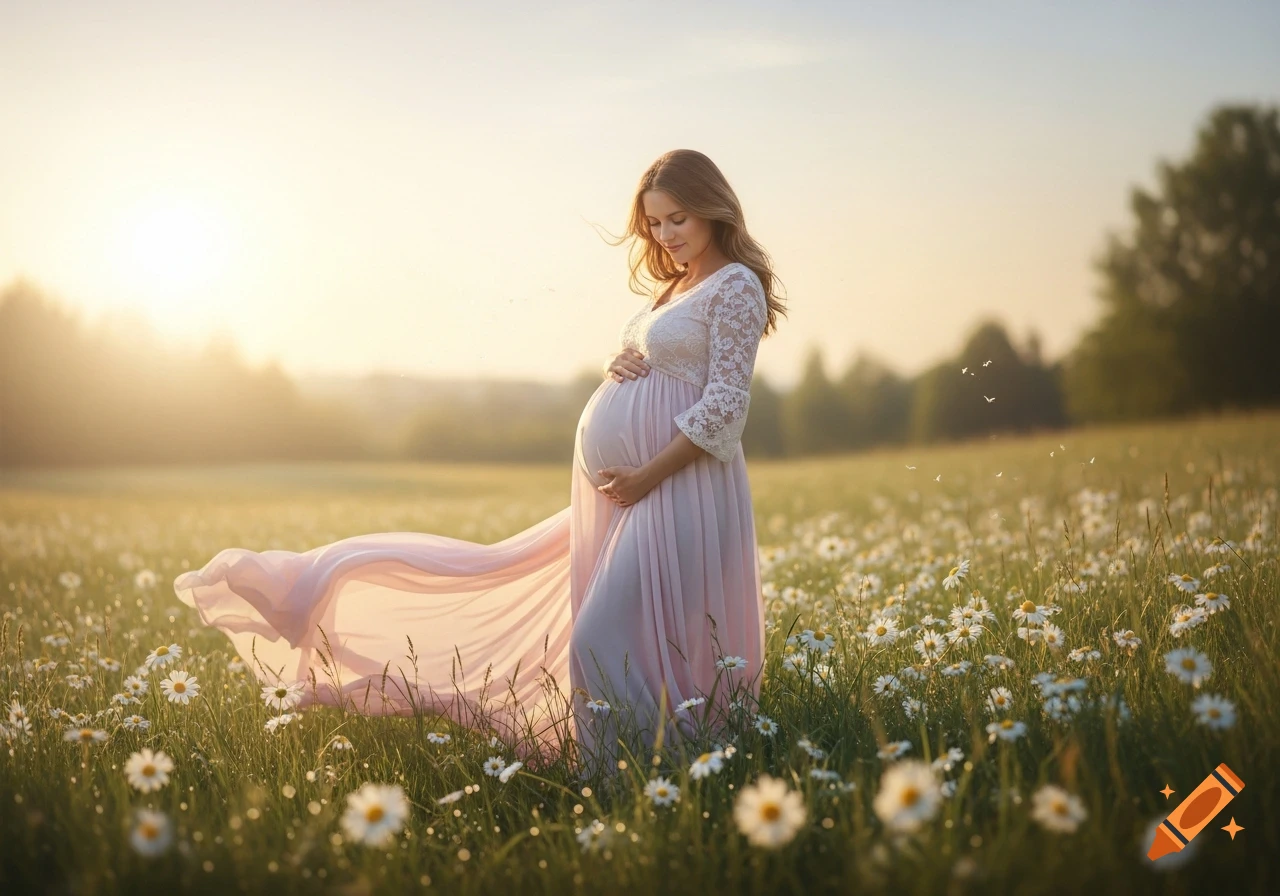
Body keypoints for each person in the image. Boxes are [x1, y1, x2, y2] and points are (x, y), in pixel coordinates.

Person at [173, 149, 786, 780]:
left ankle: (630, 781)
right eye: (655, 224)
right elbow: (668, 356)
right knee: (623, 632)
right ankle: (650, 770)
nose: (665, 236)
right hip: (629, 490)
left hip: (675, 485)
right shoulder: (675, 286)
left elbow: (725, 407)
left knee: (599, 636)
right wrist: (623, 363)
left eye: (677, 219)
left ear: (712, 207)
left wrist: (645, 473)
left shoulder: (734, 283)